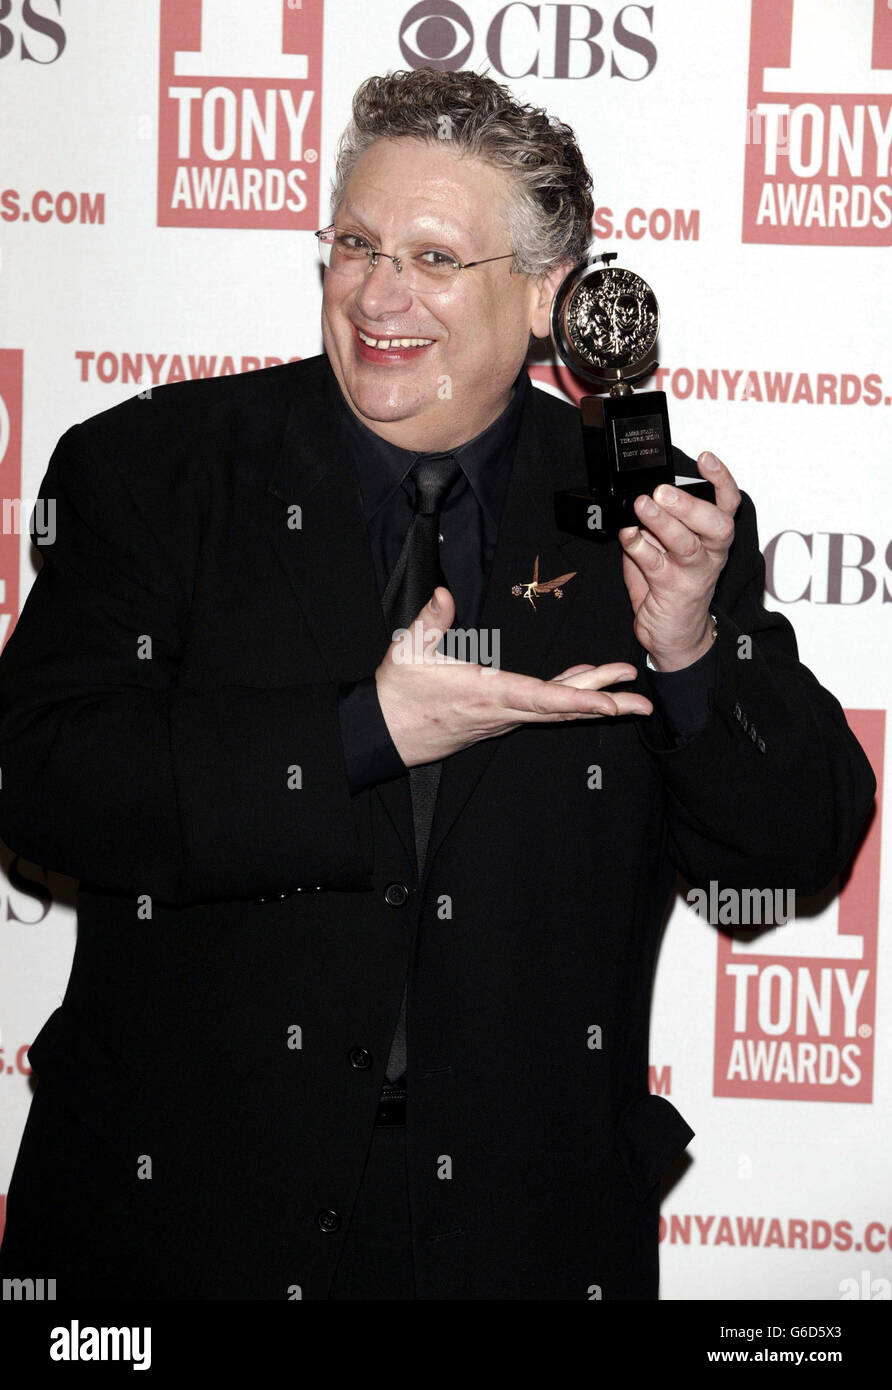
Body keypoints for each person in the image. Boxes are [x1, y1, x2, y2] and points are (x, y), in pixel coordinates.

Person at [0, 68, 875, 1301]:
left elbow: (785, 849)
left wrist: (686, 655)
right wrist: (363, 732)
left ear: (546, 299)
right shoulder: (156, 468)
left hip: (519, 1238)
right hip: (180, 1226)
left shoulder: (646, 512)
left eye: (431, 256)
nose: (376, 292)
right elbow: (39, 779)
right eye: (354, 243)